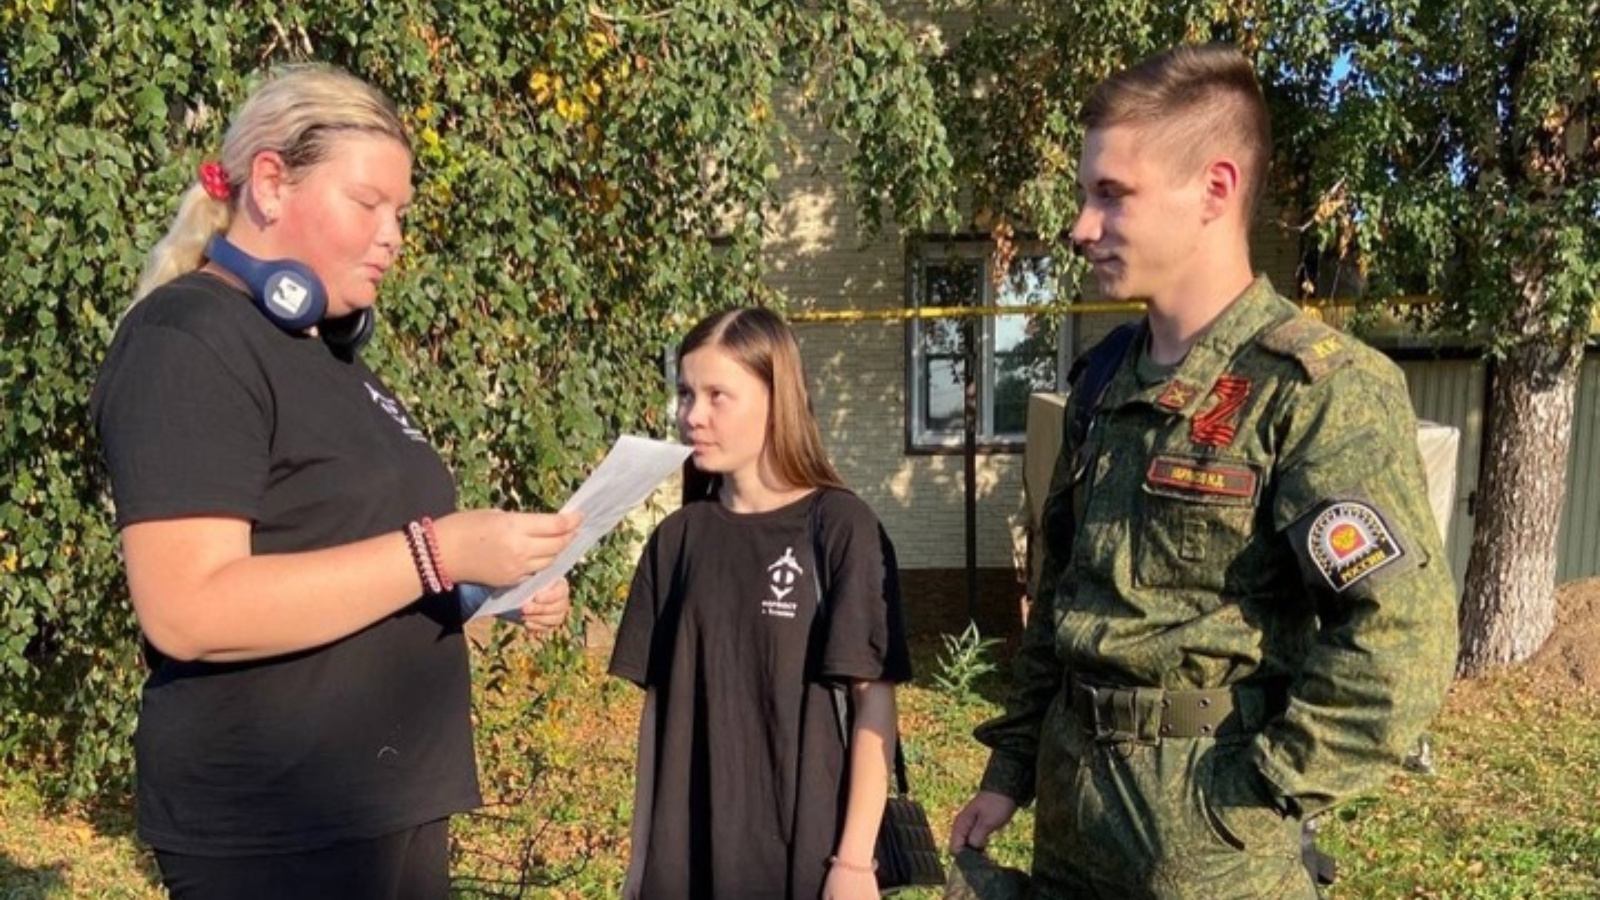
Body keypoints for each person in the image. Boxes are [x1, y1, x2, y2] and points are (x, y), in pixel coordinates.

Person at [947, 44, 1458, 899]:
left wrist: (1253, 800)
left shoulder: (1313, 391)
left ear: (1215, 189)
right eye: (1084, 196)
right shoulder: (1103, 380)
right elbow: (1062, 595)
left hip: (1208, 839)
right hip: (1073, 810)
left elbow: (1402, 636)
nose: (1080, 227)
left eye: (1111, 194)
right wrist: (1011, 768)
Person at [90, 65, 580, 900]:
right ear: (270, 183)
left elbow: (354, 560)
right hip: (274, 826)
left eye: (401, 213)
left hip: (387, 804)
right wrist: (438, 551)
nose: (393, 236)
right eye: (367, 204)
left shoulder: (336, 362)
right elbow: (187, 609)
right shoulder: (188, 341)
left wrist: (485, 585)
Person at [609, 307, 914, 900]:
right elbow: (657, 715)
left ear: (778, 401)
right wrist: (640, 862)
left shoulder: (840, 528)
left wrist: (855, 863)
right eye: (685, 393)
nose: (692, 415)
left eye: (717, 395)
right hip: (686, 863)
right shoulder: (677, 541)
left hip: (806, 860)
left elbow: (873, 702)